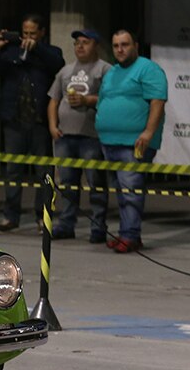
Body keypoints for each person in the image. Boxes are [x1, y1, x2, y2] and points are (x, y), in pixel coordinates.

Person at [0, 13, 64, 234]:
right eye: (25, 33)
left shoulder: (51, 51)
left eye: (33, 33)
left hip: (39, 120)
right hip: (14, 119)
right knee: (13, 171)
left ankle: (43, 216)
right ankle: (11, 217)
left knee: (43, 172)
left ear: (42, 33)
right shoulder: (11, 51)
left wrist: (36, 48)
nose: (28, 37)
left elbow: (57, 65)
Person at [95, 30, 167, 254]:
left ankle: (130, 236)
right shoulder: (112, 72)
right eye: (116, 45)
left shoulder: (148, 69)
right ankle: (127, 233)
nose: (120, 49)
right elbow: (103, 100)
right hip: (109, 141)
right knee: (121, 191)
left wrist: (148, 132)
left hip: (134, 143)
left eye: (125, 44)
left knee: (130, 190)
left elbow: (157, 102)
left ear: (135, 45)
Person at [46, 29, 111, 243]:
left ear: (96, 45)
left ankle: (98, 226)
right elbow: (54, 100)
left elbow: (110, 98)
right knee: (67, 183)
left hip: (91, 136)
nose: (80, 46)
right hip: (65, 136)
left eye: (85, 42)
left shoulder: (105, 70)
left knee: (96, 183)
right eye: (77, 43)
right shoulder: (65, 71)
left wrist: (87, 101)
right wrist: (53, 126)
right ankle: (66, 224)